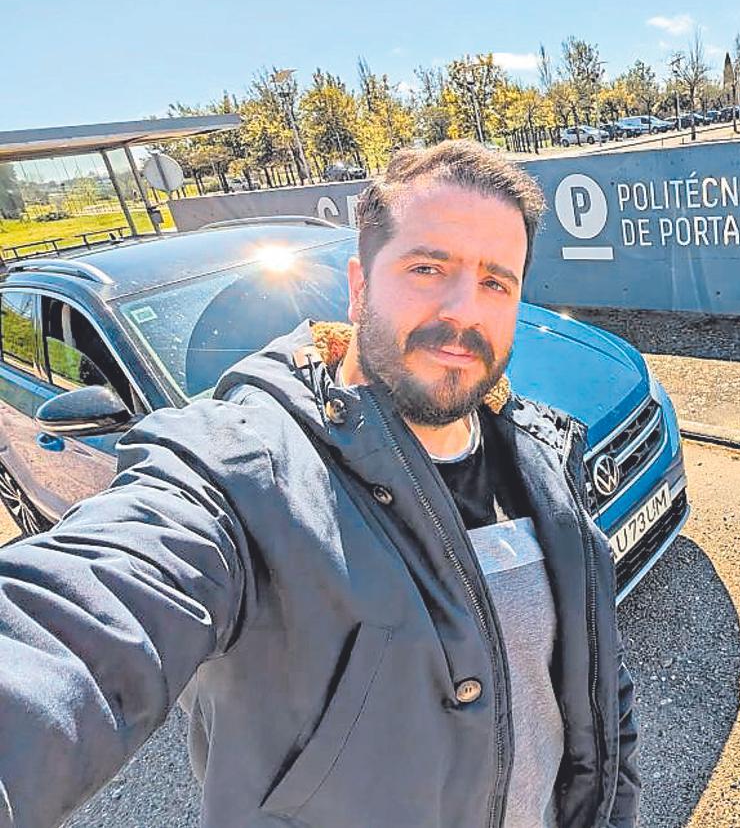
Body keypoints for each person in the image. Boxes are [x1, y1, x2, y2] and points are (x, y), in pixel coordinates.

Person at [0, 141, 639, 828]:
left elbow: (601, 687)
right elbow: (74, 618)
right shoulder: (242, 470)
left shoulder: (540, 455)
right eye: (428, 267)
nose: (465, 311)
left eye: (496, 281)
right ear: (359, 286)